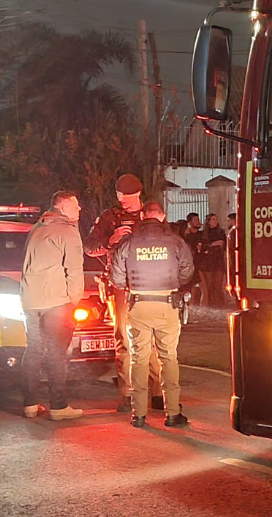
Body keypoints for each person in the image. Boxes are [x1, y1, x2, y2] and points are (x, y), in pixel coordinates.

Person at [84, 173, 163, 413]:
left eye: (127, 196)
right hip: (119, 286)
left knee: (152, 339)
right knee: (125, 341)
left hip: (150, 284)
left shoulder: (150, 214)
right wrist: (111, 241)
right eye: (119, 196)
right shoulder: (109, 217)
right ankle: (127, 394)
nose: (123, 201)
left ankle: (158, 392)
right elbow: (89, 248)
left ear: (138, 194)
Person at [111, 202, 194, 428]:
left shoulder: (128, 242)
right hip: (167, 305)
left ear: (142, 215)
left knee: (138, 358)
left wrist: (131, 286)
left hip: (139, 305)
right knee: (168, 357)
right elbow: (188, 271)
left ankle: (138, 414)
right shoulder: (175, 241)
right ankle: (173, 413)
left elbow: (116, 278)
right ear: (163, 216)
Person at [20, 190, 85, 421]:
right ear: (64, 206)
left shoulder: (37, 228)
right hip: (55, 301)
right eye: (76, 205)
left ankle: (29, 403)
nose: (80, 209)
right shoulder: (67, 231)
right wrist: (73, 300)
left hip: (30, 299)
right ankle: (58, 406)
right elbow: (75, 269)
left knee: (34, 349)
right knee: (57, 352)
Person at [198, 214, 226, 307]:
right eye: (213, 219)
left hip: (218, 260)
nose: (215, 221)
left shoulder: (221, 232)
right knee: (209, 285)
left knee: (218, 285)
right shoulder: (204, 233)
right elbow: (203, 247)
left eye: (216, 219)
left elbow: (223, 244)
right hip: (208, 261)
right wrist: (213, 244)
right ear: (208, 221)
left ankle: (219, 304)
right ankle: (211, 304)